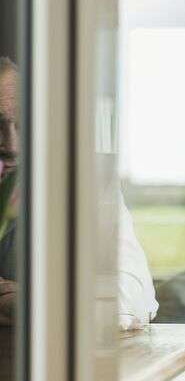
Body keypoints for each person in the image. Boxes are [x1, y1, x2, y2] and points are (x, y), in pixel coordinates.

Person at [0, 56, 158, 328]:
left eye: (22, 125)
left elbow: (131, 298)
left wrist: (33, 302)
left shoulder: (84, 183)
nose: (12, 146)